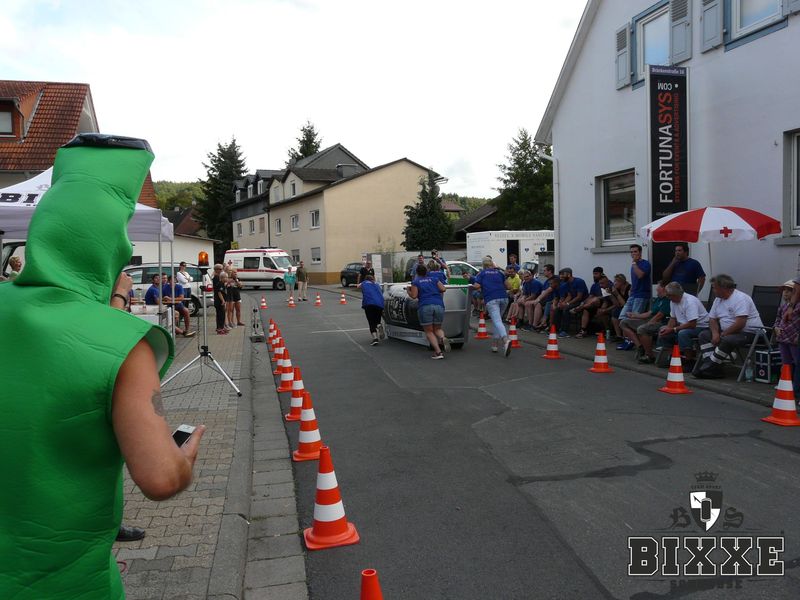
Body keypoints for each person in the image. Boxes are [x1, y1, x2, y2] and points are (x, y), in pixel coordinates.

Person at [0, 135, 205, 598]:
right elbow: (160, 478)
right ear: (111, 249)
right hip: (67, 582)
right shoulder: (123, 346)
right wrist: (184, 462)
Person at [695, 274, 764, 379]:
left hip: (750, 333)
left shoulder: (740, 298)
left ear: (723, 288)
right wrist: (715, 334)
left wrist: (722, 334)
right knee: (704, 335)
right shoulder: (718, 299)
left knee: (727, 339)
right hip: (728, 332)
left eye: (714, 288)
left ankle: (709, 367)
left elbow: (740, 323)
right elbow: (712, 319)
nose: (713, 290)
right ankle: (712, 367)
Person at [656, 282, 709, 369]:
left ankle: (689, 361)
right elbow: (673, 318)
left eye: (669, 295)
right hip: (685, 325)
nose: (667, 297)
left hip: (701, 326)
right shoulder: (673, 301)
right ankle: (674, 358)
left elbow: (692, 324)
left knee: (683, 333)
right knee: (664, 330)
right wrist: (668, 329)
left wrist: (673, 329)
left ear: (675, 295)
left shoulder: (690, 302)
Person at [619, 282, 670, 361]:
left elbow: (659, 316)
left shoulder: (667, 300)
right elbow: (649, 313)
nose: (656, 288)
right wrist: (635, 315)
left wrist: (647, 323)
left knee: (642, 329)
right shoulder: (658, 299)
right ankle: (640, 347)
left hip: (660, 322)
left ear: (663, 288)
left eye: (658, 287)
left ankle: (649, 355)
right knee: (624, 323)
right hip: (650, 319)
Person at [473, 256, 512, 356]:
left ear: (483, 265)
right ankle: (495, 345)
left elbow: (477, 286)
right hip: (504, 298)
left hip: (491, 298)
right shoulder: (500, 273)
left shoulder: (482, 273)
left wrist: (473, 286)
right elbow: (509, 286)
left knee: (497, 321)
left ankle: (506, 340)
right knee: (497, 321)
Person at [408, 264, 448, 359]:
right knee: (437, 329)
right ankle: (443, 338)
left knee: (429, 331)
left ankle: (438, 352)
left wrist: (408, 291)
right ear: (427, 271)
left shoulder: (416, 282)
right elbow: (443, 289)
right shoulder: (434, 279)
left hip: (425, 306)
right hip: (438, 304)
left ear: (417, 272)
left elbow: (414, 296)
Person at [775, 280, 800, 392]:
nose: (785, 292)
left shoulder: (798, 306)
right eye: (784, 290)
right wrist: (776, 327)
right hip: (782, 337)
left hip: (794, 339)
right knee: (785, 362)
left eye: (790, 291)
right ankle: (785, 384)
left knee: (797, 361)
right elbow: (778, 319)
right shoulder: (783, 307)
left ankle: (795, 385)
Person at [552, 267, 588, 338]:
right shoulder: (566, 284)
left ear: (569, 274)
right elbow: (569, 295)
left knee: (566, 309)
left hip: (582, 302)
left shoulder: (579, 281)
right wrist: (563, 303)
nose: (561, 277)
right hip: (573, 302)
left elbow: (579, 297)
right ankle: (555, 329)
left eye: (562, 275)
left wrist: (568, 304)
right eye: (560, 275)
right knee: (558, 308)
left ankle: (565, 331)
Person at [619, 244, 652, 321]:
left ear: (640, 252)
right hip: (633, 294)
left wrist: (634, 263)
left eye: (635, 251)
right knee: (622, 317)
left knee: (634, 319)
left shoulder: (645, 263)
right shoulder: (633, 265)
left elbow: (640, 275)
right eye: (631, 252)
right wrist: (631, 289)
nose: (633, 254)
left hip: (641, 295)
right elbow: (635, 280)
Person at [569, 267, 604, 338]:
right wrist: (583, 302)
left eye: (596, 274)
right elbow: (590, 297)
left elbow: (605, 297)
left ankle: (578, 308)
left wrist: (595, 298)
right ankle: (583, 331)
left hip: (603, 304)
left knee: (595, 299)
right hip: (592, 305)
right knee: (586, 309)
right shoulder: (594, 285)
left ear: (601, 274)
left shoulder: (606, 283)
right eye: (593, 274)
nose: (594, 275)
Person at [358, 275, 385, 346]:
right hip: (380, 304)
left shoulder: (364, 283)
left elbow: (358, 286)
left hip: (369, 304)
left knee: (371, 321)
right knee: (377, 319)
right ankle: (379, 325)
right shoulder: (377, 284)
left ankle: (375, 339)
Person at [608, 273, 631, 341]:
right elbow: (617, 304)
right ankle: (619, 336)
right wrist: (610, 294)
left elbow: (625, 305)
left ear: (622, 282)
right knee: (614, 313)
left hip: (630, 308)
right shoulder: (617, 289)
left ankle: (625, 338)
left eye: (616, 281)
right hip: (622, 307)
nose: (614, 283)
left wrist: (617, 294)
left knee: (622, 315)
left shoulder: (629, 288)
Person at [212, 264, 228, 335]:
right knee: (220, 315)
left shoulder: (221, 281)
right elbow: (219, 291)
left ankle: (221, 327)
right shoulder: (216, 278)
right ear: (216, 270)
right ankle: (219, 328)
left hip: (221, 300)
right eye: (221, 269)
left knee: (222, 314)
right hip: (219, 301)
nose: (222, 270)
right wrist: (223, 300)